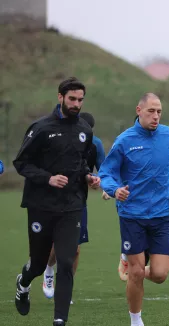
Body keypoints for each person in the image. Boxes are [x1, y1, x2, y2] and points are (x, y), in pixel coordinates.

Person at [12, 77, 100, 326]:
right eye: (72, 99)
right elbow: (21, 163)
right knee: (39, 264)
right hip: (41, 206)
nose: (76, 104)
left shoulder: (85, 130)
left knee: (65, 263)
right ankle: (23, 282)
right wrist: (48, 178)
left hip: (71, 207)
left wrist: (88, 177)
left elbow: (82, 163)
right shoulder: (40, 128)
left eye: (80, 100)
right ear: (60, 97)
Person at [99, 93, 169, 326]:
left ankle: (129, 267)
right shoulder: (125, 140)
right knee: (137, 273)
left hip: (161, 214)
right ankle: (136, 322)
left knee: (159, 275)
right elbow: (107, 172)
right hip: (132, 215)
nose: (156, 116)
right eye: (151, 111)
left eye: (159, 111)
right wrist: (115, 190)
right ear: (139, 110)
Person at [41, 112, 105, 300]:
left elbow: (103, 169)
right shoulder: (59, 138)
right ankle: (49, 268)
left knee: (75, 249)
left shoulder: (95, 144)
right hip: (54, 199)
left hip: (78, 201)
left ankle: (65, 286)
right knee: (56, 244)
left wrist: (103, 184)